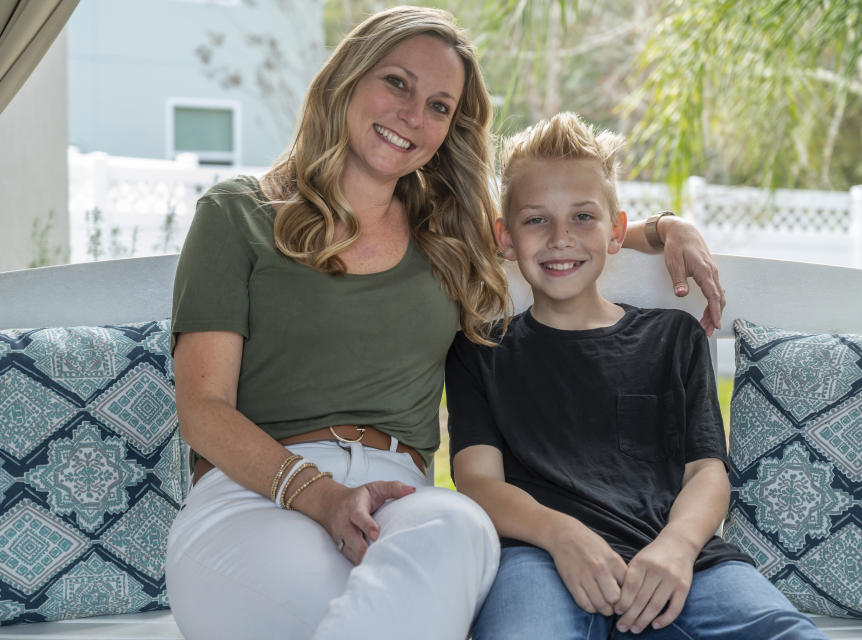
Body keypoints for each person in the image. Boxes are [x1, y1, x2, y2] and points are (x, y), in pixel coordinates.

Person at [165, 7, 727, 640]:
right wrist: (318, 495)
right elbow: (203, 409)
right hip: (257, 494)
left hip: (404, 501)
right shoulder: (238, 214)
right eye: (397, 83)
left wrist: (664, 228)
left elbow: (554, 231)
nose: (413, 115)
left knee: (462, 527)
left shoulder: (448, 232)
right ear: (347, 78)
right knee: (345, 605)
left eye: (439, 106)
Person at [446, 112, 828, 640]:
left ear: (616, 233)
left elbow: (706, 473)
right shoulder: (481, 348)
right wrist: (562, 535)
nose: (561, 238)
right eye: (536, 220)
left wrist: (678, 546)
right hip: (537, 556)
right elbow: (478, 481)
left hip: (677, 561)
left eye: (583, 217)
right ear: (505, 238)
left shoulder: (673, 338)